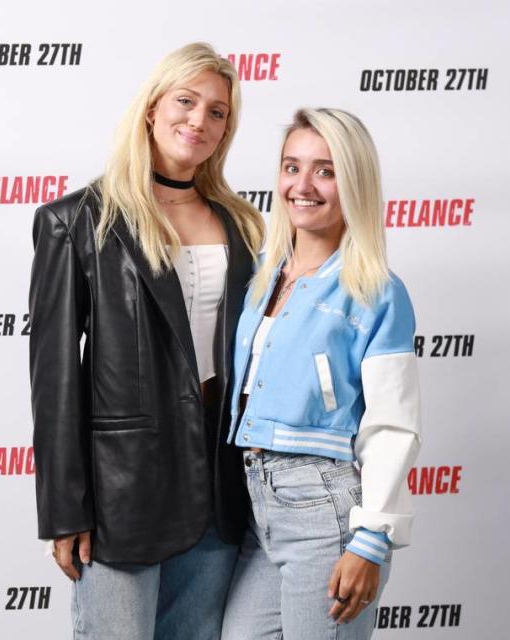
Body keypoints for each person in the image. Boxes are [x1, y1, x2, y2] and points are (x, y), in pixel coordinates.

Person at [28, 42, 264, 639]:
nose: (200, 120)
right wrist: (64, 510)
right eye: (187, 101)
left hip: (219, 484)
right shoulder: (77, 219)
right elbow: (54, 380)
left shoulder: (240, 222)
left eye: (218, 112)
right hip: (121, 494)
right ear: (153, 108)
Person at [221, 108, 422, 640]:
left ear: (352, 182)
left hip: (325, 510)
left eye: (325, 171)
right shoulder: (262, 273)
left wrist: (371, 539)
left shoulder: (377, 290)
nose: (302, 185)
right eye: (292, 167)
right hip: (257, 506)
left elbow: (392, 424)